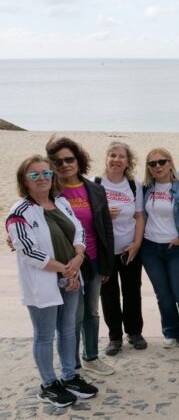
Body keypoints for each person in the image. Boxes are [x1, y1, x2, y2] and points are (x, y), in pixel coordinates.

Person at [7, 155, 99, 407]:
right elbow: (29, 252)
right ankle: (48, 384)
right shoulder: (19, 212)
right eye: (34, 174)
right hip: (44, 282)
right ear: (24, 180)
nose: (42, 178)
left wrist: (78, 257)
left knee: (68, 329)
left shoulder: (61, 202)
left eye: (46, 173)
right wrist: (66, 270)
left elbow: (79, 230)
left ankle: (69, 377)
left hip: (71, 277)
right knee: (45, 334)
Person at [46, 137, 115, 377]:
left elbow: (106, 228)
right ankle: (72, 364)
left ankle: (91, 357)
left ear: (78, 160)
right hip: (67, 265)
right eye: (58, 162)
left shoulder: (95, 189)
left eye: (69, 159)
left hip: (93, 260)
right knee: (72, 316)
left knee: (91, 312)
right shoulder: (49, 192)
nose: (65, 165)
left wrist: (107, 265)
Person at [141, 148, 179, 349]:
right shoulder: (144, 189)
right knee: (163, 295)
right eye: (152, 163)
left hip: (177, 248)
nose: (158, 166)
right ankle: (171, 331)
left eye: (162, 162)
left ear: (170, 163)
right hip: (150, 248)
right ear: (148, 168)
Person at [96, 142, 147, 356]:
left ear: (128, 162)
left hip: (129, 249)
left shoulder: (134, 185)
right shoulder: (96, 184)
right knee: (108, 295)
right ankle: (114, 337)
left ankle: (134, 332)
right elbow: (86, 218)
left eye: (121, 156)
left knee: (132, 292)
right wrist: (103, 214)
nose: (116, 160)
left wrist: (137, 243)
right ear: (107, 158)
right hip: (104, 252)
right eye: (112, 155)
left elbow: (139, 216)